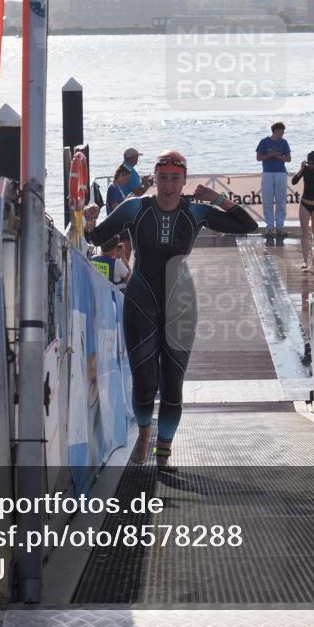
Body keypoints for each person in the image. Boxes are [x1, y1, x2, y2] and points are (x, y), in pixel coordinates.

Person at [83, 150, 257, 468]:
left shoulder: (197, 211)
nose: (168, 185)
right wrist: (89, 221)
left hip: (181, 302)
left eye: (175, 178)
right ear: (155, 178)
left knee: (173, 383)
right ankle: (144, 434)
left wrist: (217, 198)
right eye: (163, 178)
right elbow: (96, 237)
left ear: (184, 180)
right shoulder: (135, 207)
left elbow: (248, 225)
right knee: (145, 380)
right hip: (141, 298)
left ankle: (164, 449)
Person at [291, 151, 314, 271]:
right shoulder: (305, 169)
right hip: (305, 204)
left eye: (313, 163)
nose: (311, 165)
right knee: (304, 233)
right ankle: (305, 261)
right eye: (310, 163)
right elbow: (293, 181)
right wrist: (301, 169)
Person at [255, 122, 291, 237]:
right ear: (276, 130)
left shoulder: (284, 142)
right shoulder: (264, 142)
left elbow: (289, 158)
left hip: (281, 173)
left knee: (281, 201)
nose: (283, 133)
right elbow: (258, 157)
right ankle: (269, 227)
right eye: (282, 130)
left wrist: (278, 157)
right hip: (267, 173)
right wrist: (270, 155)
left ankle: (280, 227)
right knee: (267, 200)